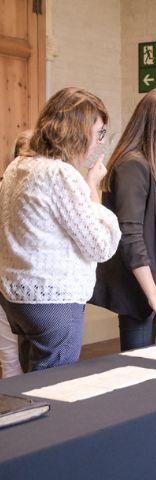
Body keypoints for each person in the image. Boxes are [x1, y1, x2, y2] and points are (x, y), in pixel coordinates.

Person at [0, 87, 121, 372]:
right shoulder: (60, 174)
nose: (99, 143)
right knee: (54, 389)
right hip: (53, 301)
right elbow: (101, 246)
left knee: (29, 386)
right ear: (78, 131)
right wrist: (93, 190)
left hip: (17, 297)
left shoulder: (19, 165)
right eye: (99, 133)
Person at [91, 88, 156, 351]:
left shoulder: (145, 164)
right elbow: (129, 235)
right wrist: (153, 296)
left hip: (147, 284)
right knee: (141, 371)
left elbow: (142, 232)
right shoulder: (133, 166)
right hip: (137, 290)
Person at [0, 130, 33, 378]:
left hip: (30, 286)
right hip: (5, 283)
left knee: (28, 354)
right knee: (10, 355)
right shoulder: (5, 189)